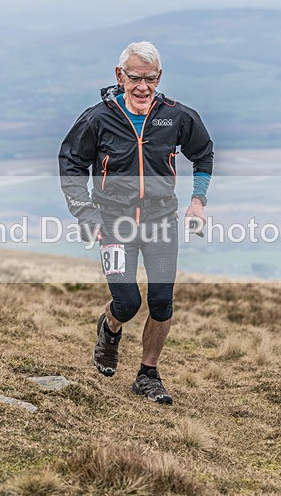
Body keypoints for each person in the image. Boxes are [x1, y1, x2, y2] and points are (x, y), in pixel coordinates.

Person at [58, 41, 214, 405]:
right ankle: (110, 328)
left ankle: (148, 374)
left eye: (151, 78)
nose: (143, 86)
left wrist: (197, 201)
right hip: (113, 222)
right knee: (127, 302)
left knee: (162, 302)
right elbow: (71, 164)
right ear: (119, 76)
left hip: (161, 221)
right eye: (135, 77)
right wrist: (86, 213)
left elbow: (203, 153)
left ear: (159, 77)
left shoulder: (176, 116)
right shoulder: (99, 118)